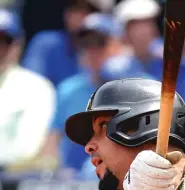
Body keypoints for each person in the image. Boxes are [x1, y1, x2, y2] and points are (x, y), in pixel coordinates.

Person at [38, 12, 144, 172]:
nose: (92, 50)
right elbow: (51, 143)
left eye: (99, 42)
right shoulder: (69, 89)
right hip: (72, 185)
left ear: (119, 44)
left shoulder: (143, 87)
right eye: (85, 43)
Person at [0, 9, 55, 169]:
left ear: (18, 44)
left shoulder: (36, 87)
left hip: (12, 179)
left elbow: (28, 148)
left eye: (5, 41)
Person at [22, 0, 114, 86]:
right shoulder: (46, 42)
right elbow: (31, 84)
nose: (77, 15)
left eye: (88, 10)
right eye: (73, 7)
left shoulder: (115, 46)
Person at [114, 0, 161, 66]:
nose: (144, 30)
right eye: (136, 24)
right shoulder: (115, 68)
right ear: (126, 31)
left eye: (148, 22)